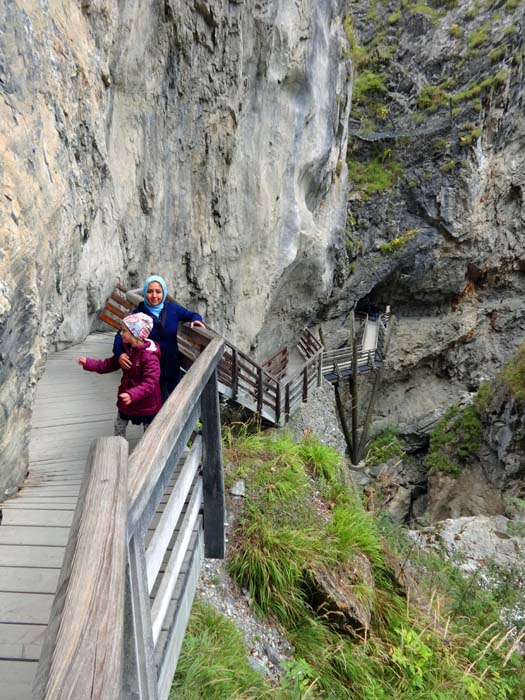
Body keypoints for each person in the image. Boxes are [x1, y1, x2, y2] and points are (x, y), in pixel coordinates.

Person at [113, 275, 205, 401]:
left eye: (158, 292)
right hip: (149, 368)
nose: (154, 296)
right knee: (157, 404)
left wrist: (196, 320)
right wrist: (120, 354)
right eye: (150, 292)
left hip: (172, 365)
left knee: (176, 400)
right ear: (145, 293)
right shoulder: (138, 314)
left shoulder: (173, 308)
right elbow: (120, 335)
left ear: (164, 293)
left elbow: (192, 314)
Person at [79, 312, 162, 438]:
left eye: (124, 331)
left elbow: (150, 383)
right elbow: (108, 364)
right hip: (127, 402)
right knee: (119, 426)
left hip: (147, 404)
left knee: (149, 433)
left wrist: (132, 394)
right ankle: (118, 448)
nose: (120, 334)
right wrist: (88, 363)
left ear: (135, 333)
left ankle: (148, 454)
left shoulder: (150, 358)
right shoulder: (128, 350)